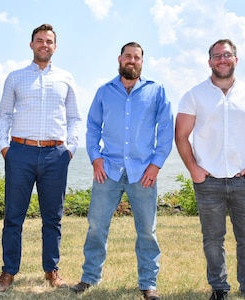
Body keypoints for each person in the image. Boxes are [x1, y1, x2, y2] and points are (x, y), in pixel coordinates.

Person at [70, 42, 173, 300]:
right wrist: (95, 157)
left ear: (142, 62)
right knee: (96, 226)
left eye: (137, 57)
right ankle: (89, 277)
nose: (132, 60)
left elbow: (166, 130)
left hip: (143, 172)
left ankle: (148, 283)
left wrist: (156, 163)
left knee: (147, 230)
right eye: (128, 56)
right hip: (109, 170)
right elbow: (92, 127)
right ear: (119, 58)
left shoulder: (157, 91)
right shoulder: (105, 91)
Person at [175, 39, 245, 300]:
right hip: (209, 182)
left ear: (236, 60)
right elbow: (181, 135)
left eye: (227, 55)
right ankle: (219, 289)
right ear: (209, 62)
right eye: (217, 56)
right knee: (212, 239)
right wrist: (194, 170)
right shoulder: (194, 95)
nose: (222, 59)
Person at [0, 23, 81, 292]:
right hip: (20, 152)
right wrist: (4, 147)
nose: (44, 44)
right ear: (31, 45)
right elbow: (4, 114)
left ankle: (51, 270)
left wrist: (70, 149)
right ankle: (8, 272)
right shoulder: (15, 77)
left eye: (49, 41)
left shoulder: (66, 78)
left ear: (55, 46)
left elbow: (75, 117)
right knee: (13, 217)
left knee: (52, 218)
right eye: (40, 40)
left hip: (56, 154)